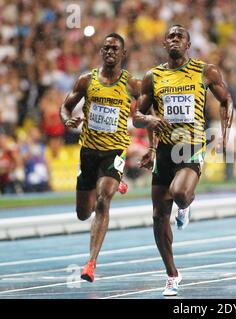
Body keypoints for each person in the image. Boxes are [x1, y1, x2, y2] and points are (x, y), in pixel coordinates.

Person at [133, 25, 233, 296]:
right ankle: (171, 274)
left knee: (179, 193)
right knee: (158, 216)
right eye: (170, 37)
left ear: (188, 44)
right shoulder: (152, 76)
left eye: (180, 37)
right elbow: (137, 115)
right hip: (165, 150)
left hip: (191, 146)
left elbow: (226, 101)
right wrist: (151, 129)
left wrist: (224, 135)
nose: (175, 40)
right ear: (164, 44)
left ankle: (185, 204)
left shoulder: (205, 71)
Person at [60, 33, 141, 282]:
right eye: (105, 48)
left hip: (114, 151)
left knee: (103, 201)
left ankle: (91, 263)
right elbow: (65, 107)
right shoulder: (86, 80)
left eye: (115, 48)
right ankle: (115, 182)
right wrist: (67, 120)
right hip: (88, 153)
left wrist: (151, 136)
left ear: (123, 54)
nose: (109, 52)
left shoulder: (132, 85)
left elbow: (150, 109)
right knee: (83, 214)